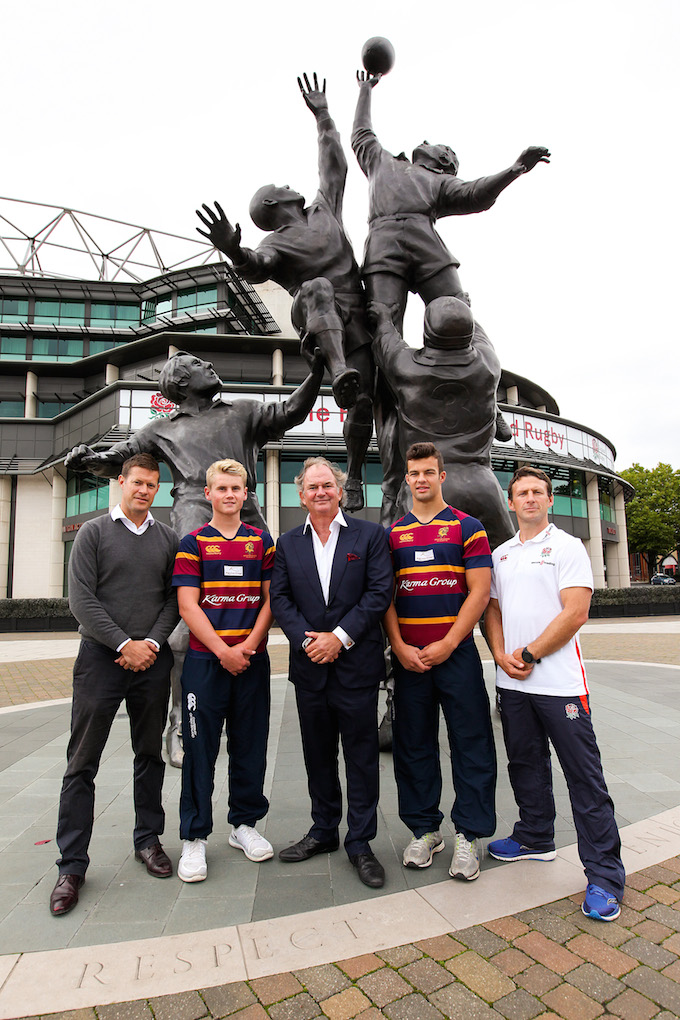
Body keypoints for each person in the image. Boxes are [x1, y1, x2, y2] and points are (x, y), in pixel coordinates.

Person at [64, 345, 324, 767]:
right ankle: (181, 720)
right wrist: (88, 459)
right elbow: (118, 460)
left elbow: (293, 411)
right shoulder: (159, 429)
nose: (211, 366)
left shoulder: (242, 410)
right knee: (192, 610)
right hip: (194, 510)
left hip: (246, 510)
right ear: (182, 382)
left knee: (275, 592)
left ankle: (267, 678)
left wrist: (317, 371)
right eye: (201, 365)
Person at [196, 73, 376, 512]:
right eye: (279, 187)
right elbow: (255, 269)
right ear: (273, 205)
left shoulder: (324, 208)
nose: (289, 184)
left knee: (367, 402)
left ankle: (353, 475)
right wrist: (235, 249)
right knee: (317, 287)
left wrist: (323, 115)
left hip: (357, 314)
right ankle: (338, 373)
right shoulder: (274, 243)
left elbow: (335, 163)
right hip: (314, 316)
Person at [485, 466, 625, 921]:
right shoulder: (501, 553)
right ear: (510, 502)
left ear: (549, 501)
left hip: (559, 684)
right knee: (525, 764)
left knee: (584, 778)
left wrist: (529, 653)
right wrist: (501, 653)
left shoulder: (568, 547)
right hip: (512, 683)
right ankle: (534, 837)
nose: (528, 499)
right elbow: (494, 608)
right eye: (521, 492)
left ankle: (604, 875)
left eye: (537, 493)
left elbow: (576, 612)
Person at [50, 454, 179, 916]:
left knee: (149, 755)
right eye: (137, 482)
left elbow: (173, 599)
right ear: (121, 483)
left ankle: (148, 840)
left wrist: (150, 644)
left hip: (151, 663)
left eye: (152, 485)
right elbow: (81, 600)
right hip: (101, 661)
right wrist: (125, 643)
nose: (144, 490)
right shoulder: (93, 534)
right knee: (82, 763)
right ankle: (71, 865)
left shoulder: (167, 539)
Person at [269, 457, 393, 888]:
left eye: (327, 485)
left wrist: (338, 637)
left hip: (356, 666)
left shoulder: (371, 535)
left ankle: (360, 842)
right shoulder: (287, 544)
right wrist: (309, 638)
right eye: (311, 487)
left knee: (361, 757)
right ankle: (324, 830)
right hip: (310, 669)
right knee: (317, 756)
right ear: (300, 495)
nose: (320, 492)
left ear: (340, 490)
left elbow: (379, 593)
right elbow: (280, 599)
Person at [353, 72, 550, 330]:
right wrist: (365, 89)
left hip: (426, 246)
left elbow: (475, 193)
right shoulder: (382, 162)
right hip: (383, 247)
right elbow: (361, 133)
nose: (425, 141)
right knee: (382, 323)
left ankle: (467, 366)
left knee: (458, 314)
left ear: (445, 161)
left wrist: (515, 169)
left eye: (436, 145)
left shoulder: (441, 182)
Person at [383, 443, 497, 881]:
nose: (422, 480)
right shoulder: (394, 535)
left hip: (456, 655)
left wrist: (451, 642)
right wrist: (398, 645)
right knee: (413, 746)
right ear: (407, 479)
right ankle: (425, 830)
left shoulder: (468, 528)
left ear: (442, 476)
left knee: (471, 742)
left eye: (429, 472)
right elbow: (386, 597)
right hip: (411, 659)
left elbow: (480, 592)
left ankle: (469, 834)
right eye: (414, 474)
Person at [172, 459, 275, 882]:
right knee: (200, 749)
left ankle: (244, 825)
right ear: (208, 493)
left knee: (250, 744)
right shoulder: (192, 543)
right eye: (223, 488)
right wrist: (222, 651)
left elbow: (272, 601)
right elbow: (187, 606)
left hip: (251, 660)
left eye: (238, 488)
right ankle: (194, 837)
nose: (230, 495)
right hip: (205, 662)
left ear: (246, 494)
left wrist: (248, 646)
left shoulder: (262, 542)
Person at [370, 297, 513, 549]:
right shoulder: (489, 366)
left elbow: (385, 338)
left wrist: (383, 316)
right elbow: (479, 336)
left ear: (427, 334)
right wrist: (465, 306)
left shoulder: (407, 368)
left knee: (414, 569)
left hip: (427, 485)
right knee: (504, 570)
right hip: (483, 486)